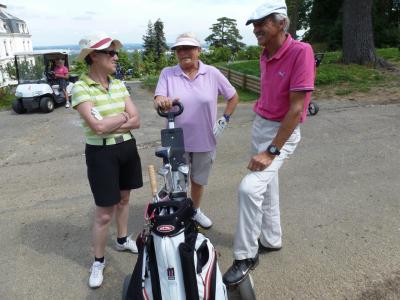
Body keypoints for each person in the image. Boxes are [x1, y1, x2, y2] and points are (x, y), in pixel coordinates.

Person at [223, 0, 315, 285]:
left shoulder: (301, 51)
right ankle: (272, 239)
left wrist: (272, 150)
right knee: (268, 186)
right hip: (261, 125)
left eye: (262, 23)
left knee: (250, 188)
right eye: (254, 24)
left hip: (281, 134)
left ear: (282, 23)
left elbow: (296, 108)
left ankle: (246, 255)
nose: (256, 29)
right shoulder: (265, 53)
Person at [71, 32, 143, 288]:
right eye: (110, 53)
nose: (115, 56)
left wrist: (114, 122)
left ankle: (122, 240)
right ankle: (98, 261)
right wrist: (123, 118)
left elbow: (137, 119)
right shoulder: (80, 87)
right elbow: (97, 127)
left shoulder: (118, 83)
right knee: (104, 214)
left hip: (126, 149)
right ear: (93, 56)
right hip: (101, 154)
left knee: (124, 199)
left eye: (115, 52)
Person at [154, 32, 239, 229]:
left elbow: (233, 97)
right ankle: (180, 211)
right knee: (177, 180)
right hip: (176, 139)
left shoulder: (212, 73)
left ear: (198, 51)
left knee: (198, 180)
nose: (183, 52)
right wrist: (162, 101)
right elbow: (158, 98)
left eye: (188, 48)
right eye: (179, 49)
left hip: (205, 138)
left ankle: (195, 210)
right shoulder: (168, 73)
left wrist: (224, 120)